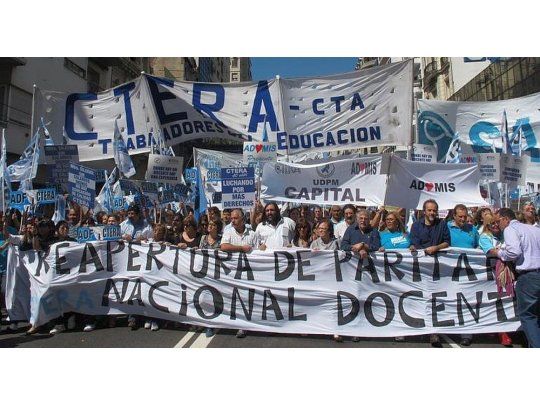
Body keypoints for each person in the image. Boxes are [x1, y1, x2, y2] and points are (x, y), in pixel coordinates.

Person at [495, 208, 540, 348]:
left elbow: (514, 252)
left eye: (498, 221)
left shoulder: (510, 229)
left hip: (529, 276)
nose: (497, 225)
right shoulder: (533, 229)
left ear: (505, 219)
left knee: (528, 316)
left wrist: (500, 253)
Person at [409, 199, 450, 347]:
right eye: (430, 210)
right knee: (420, 297)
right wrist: (413, 247)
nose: (432, 213)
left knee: (435, 298)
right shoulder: (415, 226)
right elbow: (413, 243)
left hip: (437, 268)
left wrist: (436, 248)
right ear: (424, 211)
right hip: (420, 268)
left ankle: (434, 332)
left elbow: (447, 242)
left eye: (434, 210)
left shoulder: (442, 224)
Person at [220, 208, 257, 338]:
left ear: (243, 219)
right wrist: (241, 248)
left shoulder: (252, 234)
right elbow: (223, 246)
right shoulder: (228, 232)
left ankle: (247, 324)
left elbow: (258, 252)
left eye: (235, 218)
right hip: (233, 274)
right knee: (235, 298)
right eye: (231, 218)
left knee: (248, 299)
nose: (233, 220)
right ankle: (239, 324)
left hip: (249, 273)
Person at [447, 204, 479, 347]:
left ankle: (466, 333)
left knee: (467, 301)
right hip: (449, 271)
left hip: (468, 272)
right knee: (450, 299)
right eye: (459, 217)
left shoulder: (473, 229)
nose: (462, 219)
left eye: (464, 217)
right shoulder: (446, 227)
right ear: (454, 216)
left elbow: (478, 247)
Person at [478, 214, 513, 347]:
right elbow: (491, 251)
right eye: (491, 223)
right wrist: (507, 252)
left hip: (506, 273)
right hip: (489, 275)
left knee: (505, 300)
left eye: (497, 223)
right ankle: (500, 331)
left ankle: (502, 329)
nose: (495, 225)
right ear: (487, 226)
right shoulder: (485, 237)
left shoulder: (505, 236)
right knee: (495, 302)